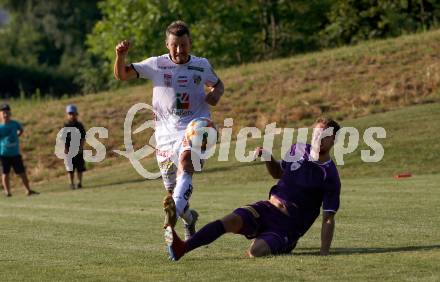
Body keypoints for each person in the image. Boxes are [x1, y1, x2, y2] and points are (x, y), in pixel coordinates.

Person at [165, 117, 341, 260]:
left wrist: (324, 252)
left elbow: (328, 218)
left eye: (325, 136)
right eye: (317, 134)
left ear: (334, 140)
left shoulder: (329, 175)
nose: (319, 138)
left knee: (256, 252)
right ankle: (182, 248)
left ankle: (281, 242)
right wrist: (268, 157)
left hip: (288, 226)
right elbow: (278, 172)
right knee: (229, 221)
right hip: (267, 208)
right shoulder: (298, 148)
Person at [114, 20, 224, 239]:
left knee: (185, 164)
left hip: (196, 127)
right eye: (174, 45)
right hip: (164, 137)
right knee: (173, 194)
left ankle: (170, 231)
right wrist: (120, 56)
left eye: (183, 45)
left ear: (190, 43)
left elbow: (218, 84)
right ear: (167, 44)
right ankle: (190, 219)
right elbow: (122, 75)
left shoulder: (201, 65)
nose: (179, 50)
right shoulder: (157, 64)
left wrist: (215, 94)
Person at [0, 104, 39, 197]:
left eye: (7, 112)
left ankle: (28, 190)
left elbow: (21, 130)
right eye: (3, 113)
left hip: (15, 154)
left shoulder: (15, 123)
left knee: (22, 173)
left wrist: (17, 136)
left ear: (10, 113)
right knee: (5, 173)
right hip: (4, 154)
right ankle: (7, 192)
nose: (5, 114)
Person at [63, 104, 87, 189]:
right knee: (70, 169)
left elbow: (83, 137)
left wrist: (81, 147)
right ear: (67, 115)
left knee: (80, 168)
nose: (72, 115)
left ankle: (79, 183)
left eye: (73, 113)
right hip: (69, 151)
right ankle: (71, 183)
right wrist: (65, 149)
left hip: (78, 150)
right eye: (70, 114)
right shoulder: (66, 126)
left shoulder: (79, 125)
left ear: (76, 114)